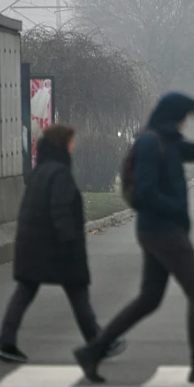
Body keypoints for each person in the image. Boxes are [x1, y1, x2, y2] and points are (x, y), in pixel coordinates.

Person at [74, 93, 194, 384]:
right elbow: (146, 191)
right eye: (185, 117)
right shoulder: (150, 143)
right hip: (162, 231)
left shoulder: (168, 141)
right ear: (173, 116)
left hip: (161, 231)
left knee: (149, 298)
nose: (185, 123)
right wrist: (176, 209)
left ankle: (93, 351)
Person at [0, 125, 126, 363]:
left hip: (33, 245)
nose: (73, 146)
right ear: (61, 144)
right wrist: (70, 244)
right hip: (55, 248)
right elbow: (61, 212)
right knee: (77, 292)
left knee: (27, 291)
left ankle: (7, 340)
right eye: (70, 142)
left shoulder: (40, 172)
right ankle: (97, 343)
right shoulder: (59, 174)